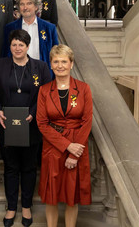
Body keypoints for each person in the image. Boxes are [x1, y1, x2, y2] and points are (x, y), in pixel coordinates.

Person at [0, 29, 52, 227]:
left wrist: (34, 111)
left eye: (21, 45)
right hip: (6, 124)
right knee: (11, 167)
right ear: (10, 46)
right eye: (14, 44)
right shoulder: (0, 65)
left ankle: (26, 207)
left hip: (31, 126)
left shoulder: (40, 67)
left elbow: (46, 94)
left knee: (29, 167)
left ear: (27, 46)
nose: (17, 48)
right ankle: (11, 207)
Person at [36, 44, 92, 227]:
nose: (60, 65)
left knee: (71, 196)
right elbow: (42, 123)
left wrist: (74, 153)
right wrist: (67, 146)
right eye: (56, 62)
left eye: (64, 61)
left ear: (71, 64)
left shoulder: (83, 89)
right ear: (51, 65)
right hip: (53, 148)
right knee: (51, 197)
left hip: (78, 146)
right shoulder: (44, 90)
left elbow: (86, 122)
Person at [2, 0, 58, 68]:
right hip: (17, 73)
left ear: (36, 6)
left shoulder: (49, 28)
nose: (25, 7)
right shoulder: (10, 28)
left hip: (43, 73)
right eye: (22, 4)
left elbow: (56, 55)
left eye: (29, 3)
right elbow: (6, 54)